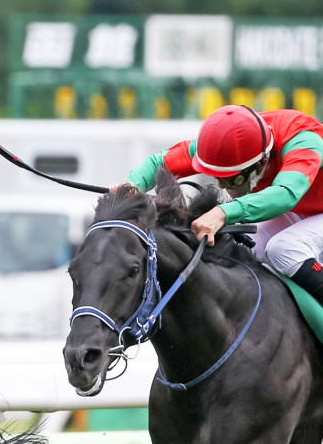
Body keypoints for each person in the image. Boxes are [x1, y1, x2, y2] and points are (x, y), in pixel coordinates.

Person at [123, 104, 323, 303]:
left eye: (232, 178)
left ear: (261, 162)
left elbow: (285, 194)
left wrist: (222, 213)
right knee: (245, 248)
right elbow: (161, 161)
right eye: (216, 176)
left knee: (285, 248)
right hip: (307, 207)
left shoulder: (303, 140)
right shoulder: (232, 140)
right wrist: (132, 184)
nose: (221, 185)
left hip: (299, 202)